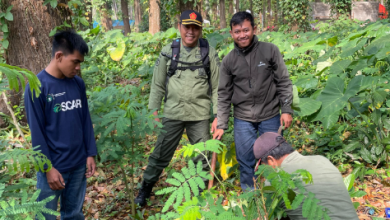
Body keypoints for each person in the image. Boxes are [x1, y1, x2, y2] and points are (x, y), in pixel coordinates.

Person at [134, 10, 220, 207]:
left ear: (200, 30)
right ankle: (145, 189)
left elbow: (217, 87)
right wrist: (153, 111)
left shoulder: (209, 52)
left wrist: (218, 116)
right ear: (179, 27)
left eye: (195, 27)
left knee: (202, 155)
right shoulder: (168, 51)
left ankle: (200, 193)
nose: (190, 31)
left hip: (199, 115)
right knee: (160, 153)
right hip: (173, 113)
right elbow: (157, 85)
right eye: (187, 26)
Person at [212, 11, 293, 190]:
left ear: (254, 29)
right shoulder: (229, 61)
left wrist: (286, 109)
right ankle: (252, 200)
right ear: (231, 33)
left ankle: (274, 199)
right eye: (238, 31)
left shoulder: (269, 50)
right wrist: (221, 123)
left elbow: (283, 81)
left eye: (246, 30)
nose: (242, 35)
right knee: (246, 160)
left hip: (270, 114)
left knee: (273, 157)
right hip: (243, 119)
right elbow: (224, 94)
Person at [24, 30, 97, 219]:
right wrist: (48, 169)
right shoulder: (37, 86)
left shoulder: (77, 84)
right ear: (59, 56)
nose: (78, 67)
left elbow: (85, 119)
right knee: (45, 216)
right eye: (75, 61)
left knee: (73, 214)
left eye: (80, 63)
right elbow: (37, 133)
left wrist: (90, 153)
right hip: (54, 168)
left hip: (79, 164)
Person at [253, 132, 359, 220]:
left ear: (271, 161)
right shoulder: (322, 160)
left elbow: (265, 216)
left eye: (263, 166)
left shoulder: (275, 181)